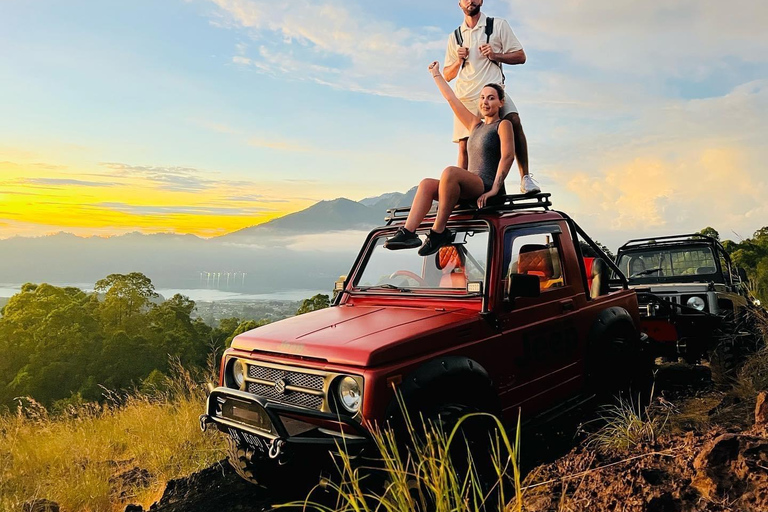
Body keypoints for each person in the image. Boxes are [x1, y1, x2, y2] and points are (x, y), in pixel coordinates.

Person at [385, 62, 514, 256]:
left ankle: (438, 232)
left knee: (450, 172)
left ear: (500, 102)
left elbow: (508, 156)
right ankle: (408, 233)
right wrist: (436, 75)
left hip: (487, 187)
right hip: (470, 186)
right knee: (427, 184)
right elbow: (451, 99)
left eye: (491, 98)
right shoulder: (475, 125)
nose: (485, 102)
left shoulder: (503, 125)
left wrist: (495, 189)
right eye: (482, 98)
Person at [443, 0, 539, 194]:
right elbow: (447, 75)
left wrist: (496, 55)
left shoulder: (498, 25)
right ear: (459, 3)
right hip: (467, 95)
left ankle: (525, 178)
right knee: (464, 145)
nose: (471, 1)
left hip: (493, 91)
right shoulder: (455, 36)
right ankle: (462, 193)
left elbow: (521, 56)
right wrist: (459, 60)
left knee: (514, 120)